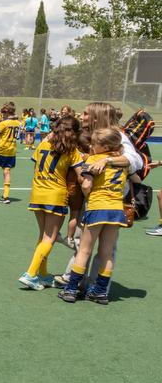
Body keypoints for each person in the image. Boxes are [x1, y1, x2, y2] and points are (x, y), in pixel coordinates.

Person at [58, 128, 128, 304]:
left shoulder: (93, 160)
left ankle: (72, 289)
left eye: (94, 144)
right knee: (107, 253)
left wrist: (87, 189)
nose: (91, 147)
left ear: (104, 146)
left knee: (84, 250)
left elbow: (87, 185)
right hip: (116, 209)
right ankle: (100, 291)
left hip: (97, 207)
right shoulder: (123, 161)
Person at [18, 115, 83, 290]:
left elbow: (35, 164)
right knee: (50, 237)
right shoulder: (72, 151)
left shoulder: (43, 144)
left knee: (43, 236)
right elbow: (81, 176)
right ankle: (30, 274)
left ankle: (44, 274)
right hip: (55, 195)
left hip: (37, 192)